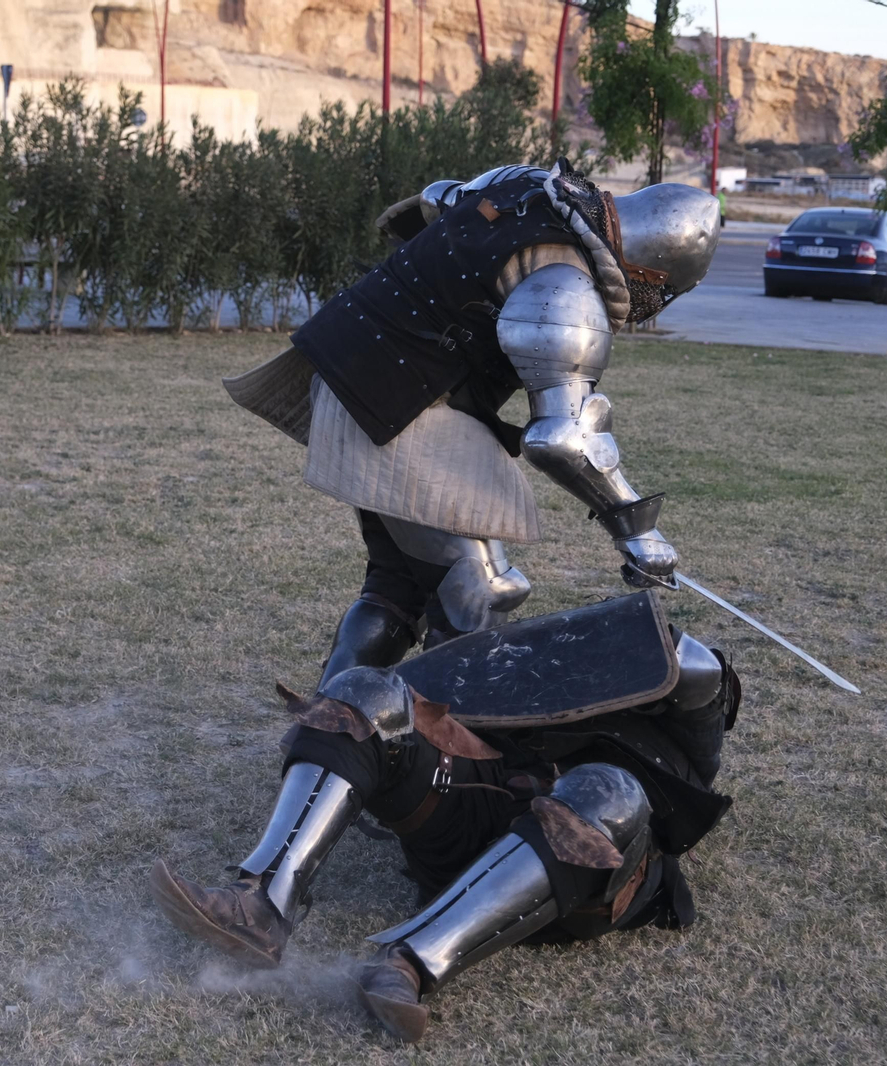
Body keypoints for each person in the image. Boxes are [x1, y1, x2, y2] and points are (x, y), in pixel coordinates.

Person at [151, 161, 736, 1042]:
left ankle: (404, 942)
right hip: (400, 403)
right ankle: (288, 864)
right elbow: (561, 433)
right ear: (651, 270)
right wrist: (638, 534)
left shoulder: (529, 188)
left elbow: (421, 202)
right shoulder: (566, 283)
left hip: (359, 374)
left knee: (401, 588)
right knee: (482, 589)